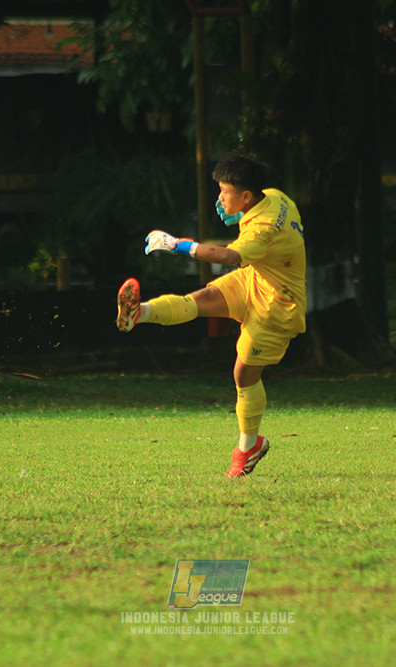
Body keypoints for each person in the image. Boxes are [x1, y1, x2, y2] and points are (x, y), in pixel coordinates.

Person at [115, 152, 306, 478]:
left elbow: (230, 256)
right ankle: (138, 314)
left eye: (224, 192)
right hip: (256, 279)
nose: (219, 198)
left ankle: (249, 446)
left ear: (246, 195)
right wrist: (240, 215)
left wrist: (177, 244)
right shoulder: (273, 197)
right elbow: (255, 241)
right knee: (200, 298)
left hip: (277, 307)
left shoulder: (262, 229)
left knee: (243, 376)